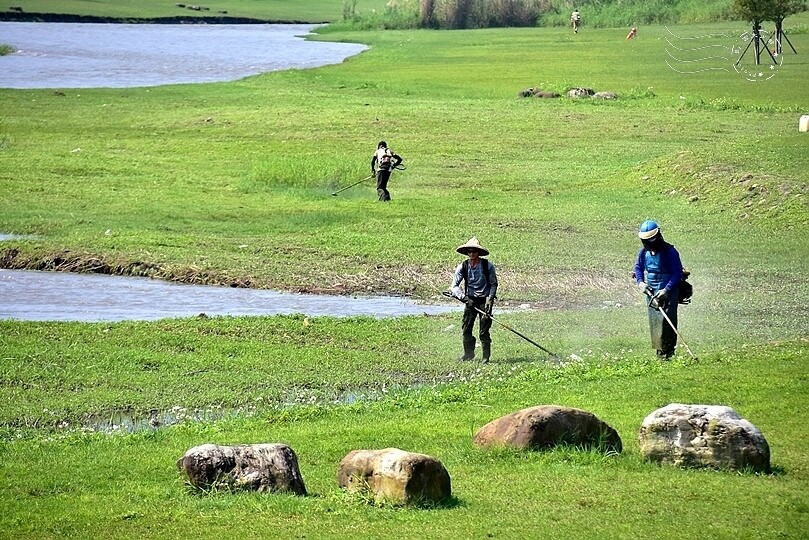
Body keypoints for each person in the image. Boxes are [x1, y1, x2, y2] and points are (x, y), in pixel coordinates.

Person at [633, 220, 683, 359]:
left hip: (668, 291)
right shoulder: (644, 252)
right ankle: (659, 351)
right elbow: (638, 267)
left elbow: (677, 273)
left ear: (657, 236)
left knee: (667, 320)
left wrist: (666, 290)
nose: (648, 243)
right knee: (655, 320)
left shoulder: (670, 251)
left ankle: (668, 351)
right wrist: (641, 283)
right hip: (651, 291)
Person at [450, 237, 498, 363]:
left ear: (478, 252)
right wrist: (464, 298)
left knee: (484, 331)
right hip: (470, 300)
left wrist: (490, 300)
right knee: (466, 329)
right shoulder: (463, 266)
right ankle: (468, 354)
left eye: (474, 251)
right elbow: (454, 286)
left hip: (485, 301)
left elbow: (493, 284)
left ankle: (485, 358)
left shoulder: (488, 266)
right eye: (469, 251)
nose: (471, 254)